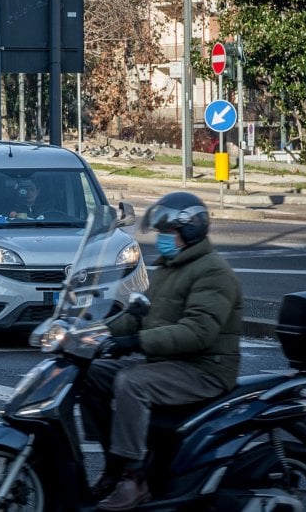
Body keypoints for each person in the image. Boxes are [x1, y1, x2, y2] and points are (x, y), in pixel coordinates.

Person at [79, 192, 242, 510]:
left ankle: (135, 477)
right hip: (168, 362)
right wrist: (94, 334)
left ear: (191, 231)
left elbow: (197, 333)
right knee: (93, 374)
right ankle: (114, 465)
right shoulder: (170, 266)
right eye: (162, 232)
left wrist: (136, 343)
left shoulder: (213, 273)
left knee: (132, 383)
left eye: (169, 233)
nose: (163, 239)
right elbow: (142, 314)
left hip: (204, 368)